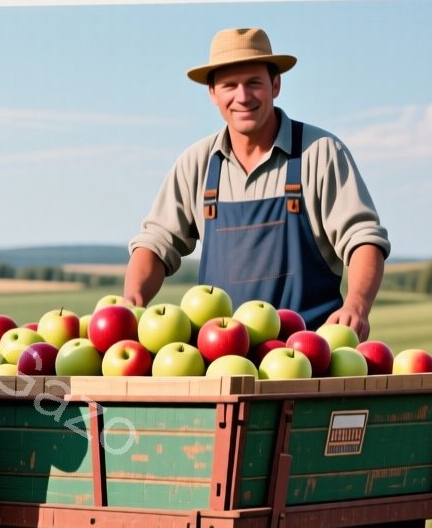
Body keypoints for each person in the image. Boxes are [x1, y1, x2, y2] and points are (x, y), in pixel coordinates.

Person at [124, 27, 389, 338]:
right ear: (212, 93)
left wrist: (357, 305)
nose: (242, 97)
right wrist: (130, 305)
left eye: (253, 83)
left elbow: (362, 238)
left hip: (310, 353)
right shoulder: (197, 163)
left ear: (275, 85)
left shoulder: (319, 152)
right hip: (222, 355)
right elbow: (155, 243)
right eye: (229, 85)